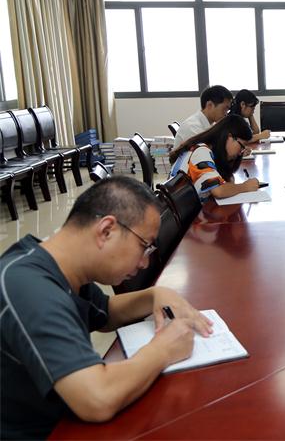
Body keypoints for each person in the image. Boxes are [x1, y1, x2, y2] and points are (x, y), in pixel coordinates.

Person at [0, 177, 212, 439]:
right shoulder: (29, 287)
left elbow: (105, 312)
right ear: (106, 231)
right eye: (144, 246)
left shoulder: (59, 265)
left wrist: (155, 295)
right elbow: (97, 398)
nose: (144, 263)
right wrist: (163, 350)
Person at [169, 115, 259, 202]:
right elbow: (218, 191)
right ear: (229, 137)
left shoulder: (212, 152)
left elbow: (228, 181)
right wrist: (245, 186)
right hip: (185, 210)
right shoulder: (201, 151)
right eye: (241, 146)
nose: (240, 152)